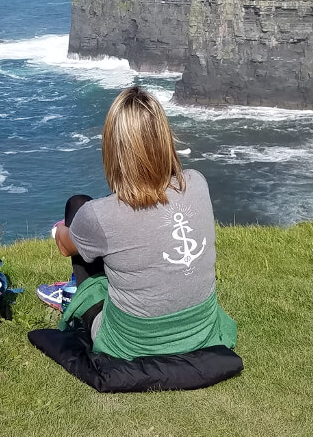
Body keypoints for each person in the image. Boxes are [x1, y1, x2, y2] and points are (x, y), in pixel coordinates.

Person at [47, 86, 236, 359]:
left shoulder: (98, 214)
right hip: (201, 331)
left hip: (133, 344)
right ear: (164, 138)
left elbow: (65, 246)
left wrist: (60, 229)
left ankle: (77, 295)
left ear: (113, 147)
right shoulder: (197, 182)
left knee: (77, 204)